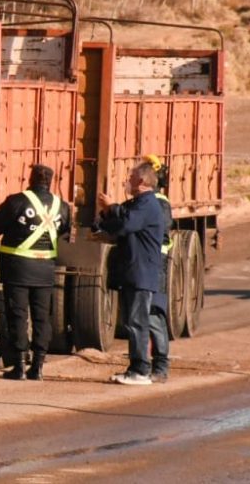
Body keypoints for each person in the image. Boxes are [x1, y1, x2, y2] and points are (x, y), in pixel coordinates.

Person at [0, 164, 71, 381]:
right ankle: (38, 367)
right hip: (45, 270)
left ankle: (19, 366)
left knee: (18, 316)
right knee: (42, 317)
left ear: (30, 179)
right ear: (51, 182)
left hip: (17, 268)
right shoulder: (61, 206)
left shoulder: (17, 201)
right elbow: (64, 230)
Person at [97, 162, 169, 386]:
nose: (127, 180)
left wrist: (112, 207)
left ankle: (141, 370)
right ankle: (135, 368)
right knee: (133, 321)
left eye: (131, 176)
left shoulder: (148, 204)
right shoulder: (139, 203)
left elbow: (126, 223)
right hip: (134, 272)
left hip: (142, 273)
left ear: (142, 181)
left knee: (139, 322)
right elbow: (117, 224)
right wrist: (108, 214)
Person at [143, 154, 174, 383]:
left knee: (154, 315)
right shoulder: (152, 201)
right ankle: (146, 365)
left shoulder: (159, 203)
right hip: (148, 265)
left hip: (155, 266)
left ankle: (160, 366)